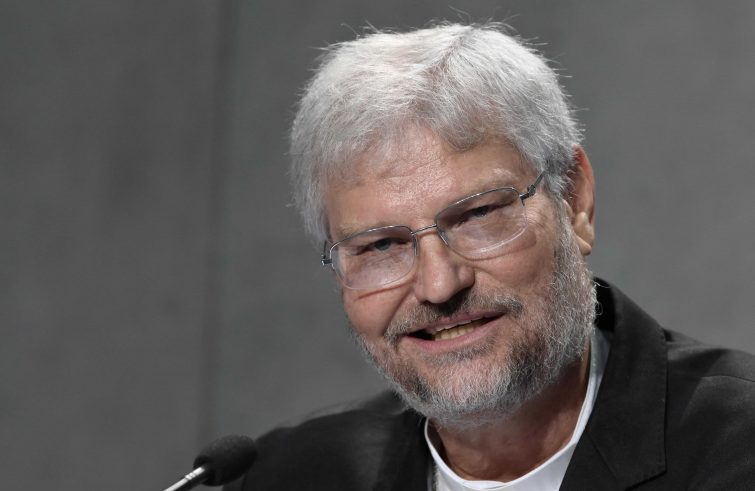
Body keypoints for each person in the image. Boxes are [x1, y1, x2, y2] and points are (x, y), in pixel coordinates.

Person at [226, 23, 755, 490]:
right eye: (381, 245)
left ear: (574, 201)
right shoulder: (289, 476)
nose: (439, 285)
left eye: (477, 215)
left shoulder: (738, 446)